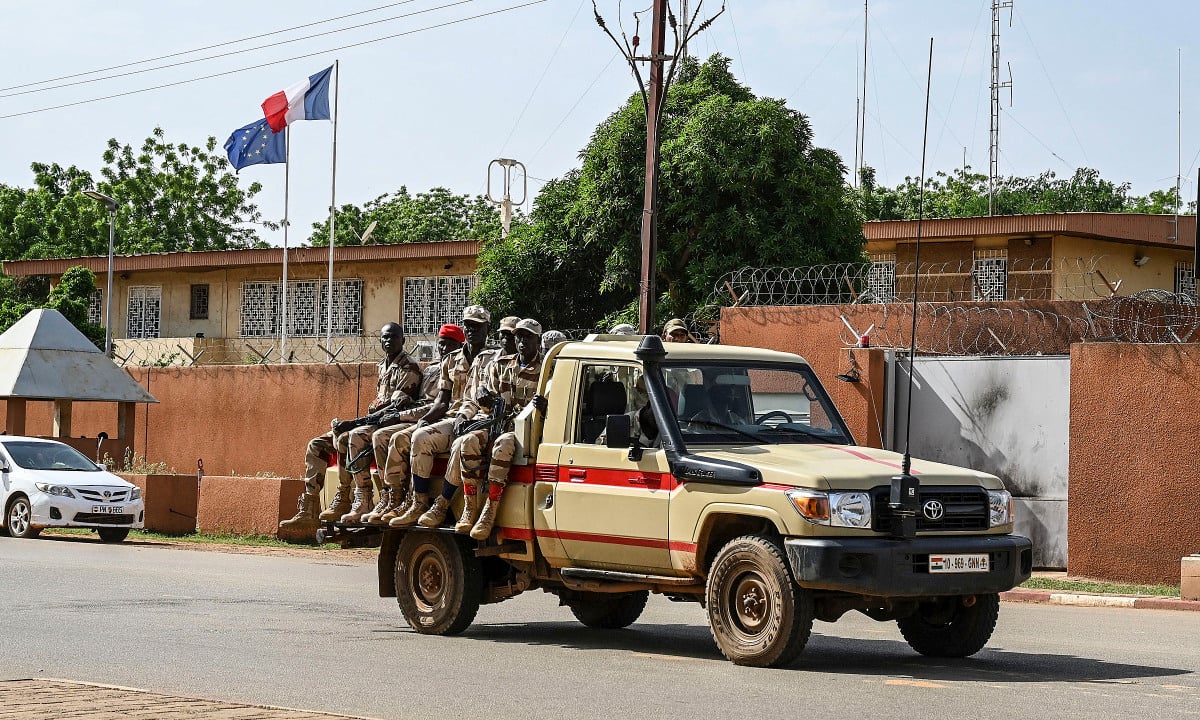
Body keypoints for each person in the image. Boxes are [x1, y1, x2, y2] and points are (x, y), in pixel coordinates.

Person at [279, 323, 421, 539]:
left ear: (403, 340)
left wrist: (353, 423)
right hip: (369, 420)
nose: (388, 341)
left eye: (393, 337)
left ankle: (354, 496)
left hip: (385, 423)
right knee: (317, 444)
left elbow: (394, 408)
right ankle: (308, 507)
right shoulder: (382, 365)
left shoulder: (409, 367)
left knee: (348, 437)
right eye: (384, 338)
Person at [424, 318, 545, 539]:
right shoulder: (499, 366)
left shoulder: (546, 370)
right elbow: (484, 402)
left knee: (503, 444)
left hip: (522, 433)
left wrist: (543, 406)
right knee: (468, 441)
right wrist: (485, 399)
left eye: (528, 336)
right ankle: (470, 508)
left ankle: (490, 510)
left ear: (538, 340)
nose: (521, 341)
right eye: (519, 336)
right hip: (493, 423)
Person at [386, 305, 501, 527]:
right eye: (468, 325)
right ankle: (417, 502)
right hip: (453, 418)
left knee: (461, 443)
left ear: (487, 328)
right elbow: (442, 400)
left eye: (477, 326)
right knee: (418, 436)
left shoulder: (495, 359)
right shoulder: (451, 359)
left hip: (481, 420)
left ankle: (442, 504)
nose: (471, 330)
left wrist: (467, 417)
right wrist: (426, 419)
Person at [357, 324, 464, 525]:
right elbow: (419, 401)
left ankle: (411, 499)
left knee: (400, 438)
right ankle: (389, 495)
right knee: (378, 436)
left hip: (439, 419)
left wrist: (401, 417)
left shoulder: (462, 369)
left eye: (451, 345)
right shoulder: (432, 368)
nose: (444, 349)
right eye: (442, 344)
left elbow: (438, 405)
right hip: (419, 416)